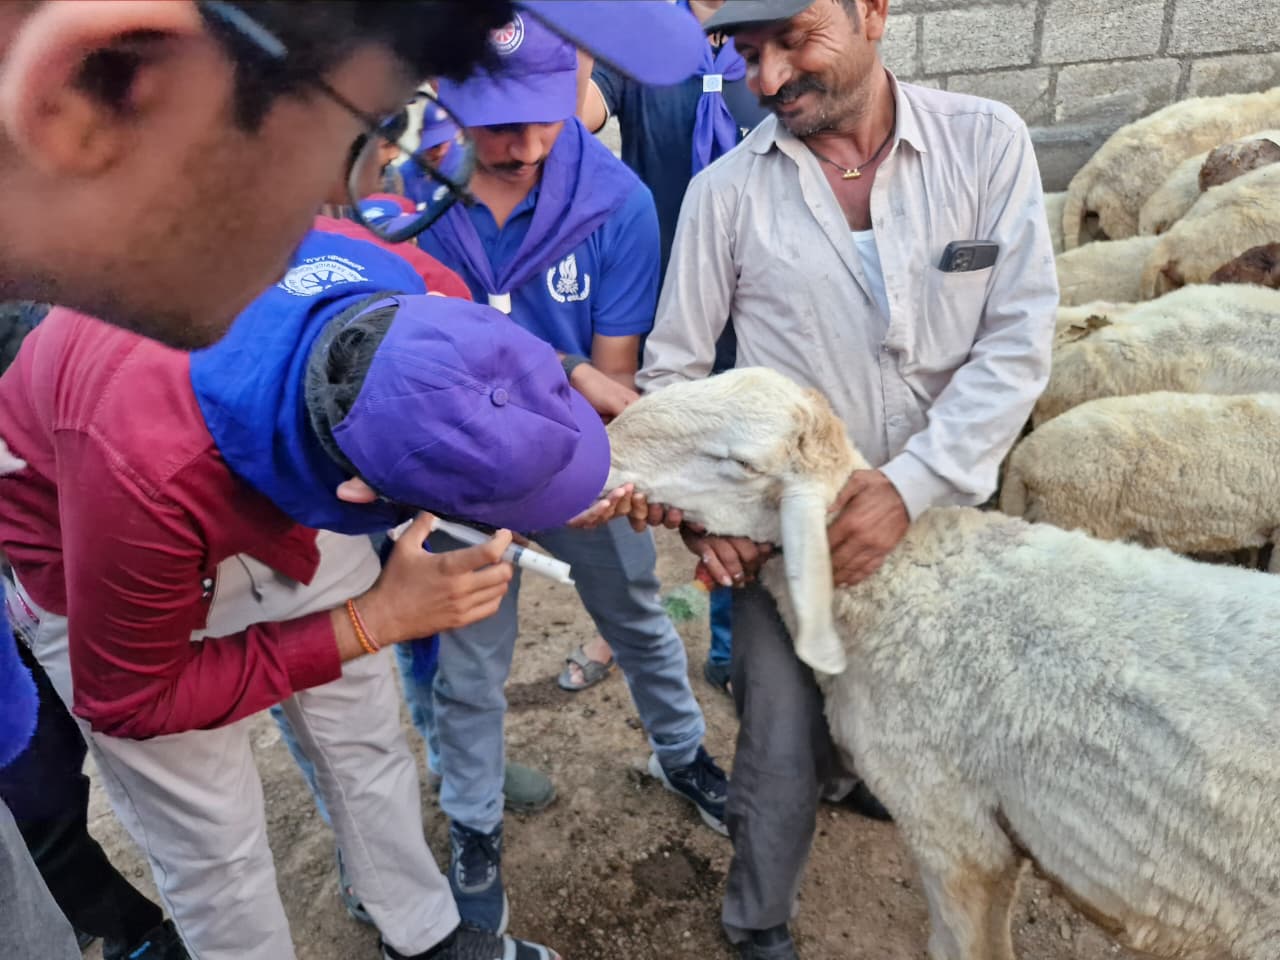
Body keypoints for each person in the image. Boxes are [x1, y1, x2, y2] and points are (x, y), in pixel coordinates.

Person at [0, 2, 709, 956]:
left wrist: (574, 407)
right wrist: (373, 620)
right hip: (102, 548)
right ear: (369, 504)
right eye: (360, 130)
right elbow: (131, 696)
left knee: (365, 740)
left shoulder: (400, 276)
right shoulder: (137, 462)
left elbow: (475, 338)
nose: (389, 171)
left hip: (269, 459)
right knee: (217, 839)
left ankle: (425, 932)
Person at [636, 1, 1059, 956]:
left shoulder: (986, 145)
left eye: (795, 40)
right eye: (749, 55)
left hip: (948, 524)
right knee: (782, 744)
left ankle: (895, 815)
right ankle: (757, 922)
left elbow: (1017, 339)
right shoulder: (724, 195)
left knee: (945, 734)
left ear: (873, 10)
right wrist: (716, 521)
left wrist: (911, 485)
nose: (770, 79)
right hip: (793, 541)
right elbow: (672, 376)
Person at [416, 13, 729, 935]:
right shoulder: (414, 201)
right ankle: (474, 823)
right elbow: (414, 369)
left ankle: (682, 752)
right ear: (446, 97)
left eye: (544, 114)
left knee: (636, 614)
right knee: (469, 664)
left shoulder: (618, 204)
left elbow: (614, 374)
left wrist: (603, 464)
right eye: (496, 120)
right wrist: (553, 370)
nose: (524, 143)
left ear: (578, 84)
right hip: (457, 477)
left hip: (577, 463)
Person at [578, 0, 771, 695]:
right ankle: (622, 621)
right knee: (640, 449)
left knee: (740, 464)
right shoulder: (642, 36)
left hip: (762, 300)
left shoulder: (774, 32)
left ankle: (728, 643)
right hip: (667, 302)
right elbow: (584, 109)